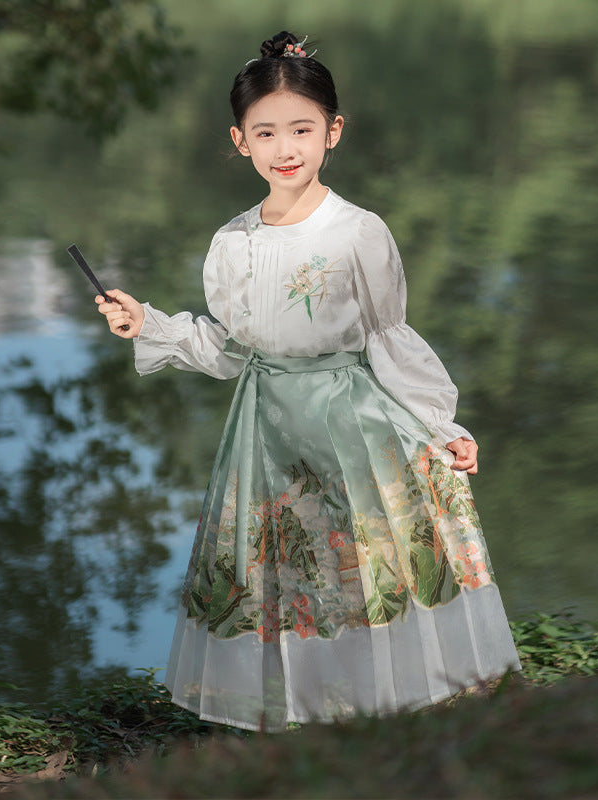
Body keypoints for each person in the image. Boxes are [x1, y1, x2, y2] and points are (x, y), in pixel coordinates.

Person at [96, 30, 521, 732]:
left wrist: (444, 428)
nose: (284, 148)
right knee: (288, 574)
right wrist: (149, 325)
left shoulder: (358, 232)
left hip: (353, 425)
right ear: (240, 140)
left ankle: (392, 710)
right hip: (264, 431)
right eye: (266, 132)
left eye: (301, 128)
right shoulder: (233, 242)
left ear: (333, 132)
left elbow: (390, 341)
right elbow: (232, 350)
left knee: (364, 561)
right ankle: (304, 714)